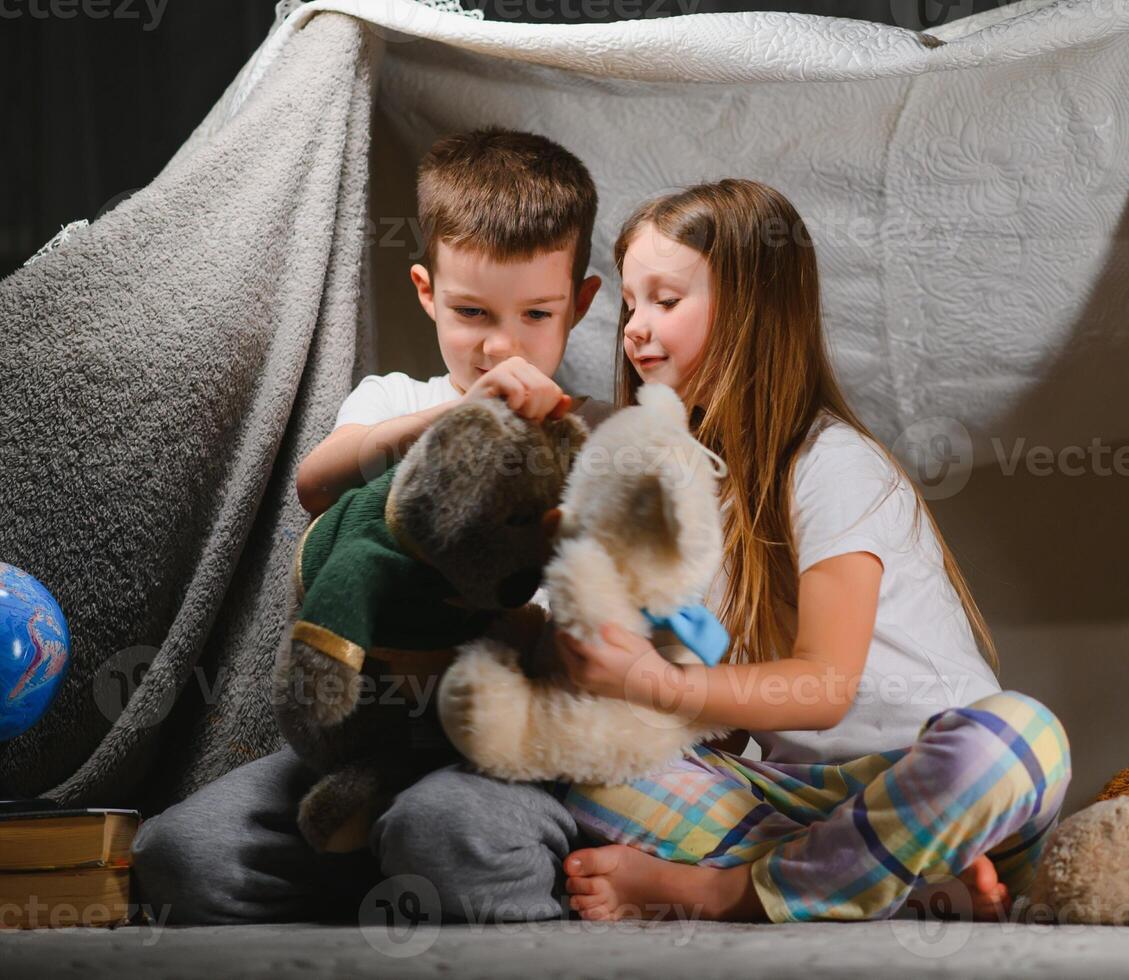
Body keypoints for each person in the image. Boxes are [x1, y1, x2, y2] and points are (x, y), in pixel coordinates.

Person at [549, 178, 1072, 924]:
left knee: (1022, 735)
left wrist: (658, 687)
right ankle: (888, 886)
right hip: (801, 798)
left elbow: (823, 689)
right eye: (630, 304)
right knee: (573, 755)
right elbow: (726, 715)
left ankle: (732, 892)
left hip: (941, 788)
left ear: (751, 310)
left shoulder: (829, 462)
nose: (634, 327)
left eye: (665, 300)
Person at [131, 127, 610, 924]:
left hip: (500, 745)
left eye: (536, 314)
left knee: (443, 830)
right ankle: (381, 866)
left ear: (581, 304)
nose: (499, 346)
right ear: (425, 291)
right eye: (469, 312)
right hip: (369, 737)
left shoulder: (594, 437)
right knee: (180, 855)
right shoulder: (395, 403)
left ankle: (451, 866)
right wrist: (452, 416)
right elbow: (316, 484)